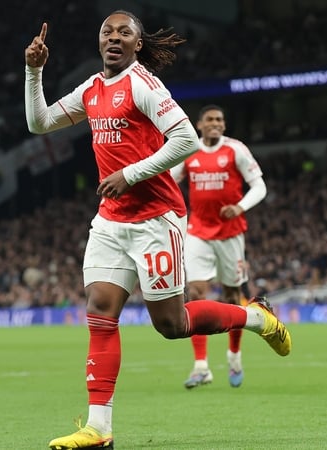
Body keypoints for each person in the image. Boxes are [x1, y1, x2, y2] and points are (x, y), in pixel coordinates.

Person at [24, 11, 290, 449]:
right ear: (99, 41)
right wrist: (34, 71)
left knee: (171, 324)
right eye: (107, 31)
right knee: (100, 309)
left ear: (138, 44)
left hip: (156, 217)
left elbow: (185, 139)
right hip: (111, 220)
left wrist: (129, 175)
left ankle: (256, 317)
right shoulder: (91, 89)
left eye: (124, 32)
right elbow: (39, 123)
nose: (114, 37)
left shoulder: (143, 84)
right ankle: (99, 428)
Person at [170, 105, 266, 389]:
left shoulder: (236, 149)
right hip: (197, 232)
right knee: (195, 294)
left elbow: (259, 186)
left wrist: (240, 207)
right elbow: (168, 181)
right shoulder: (189, 151)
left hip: (230, 234)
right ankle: (201, 367)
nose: (216, 123)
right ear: (199, 124)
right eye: (210, 119)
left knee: (232, 296)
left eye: (220, 119)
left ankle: (234, 356)